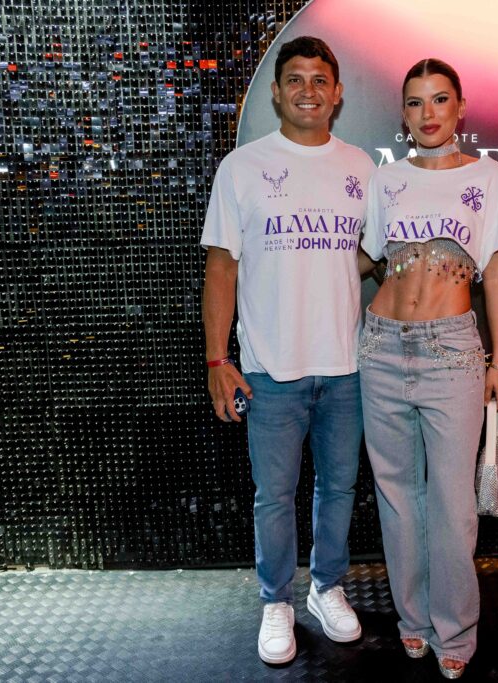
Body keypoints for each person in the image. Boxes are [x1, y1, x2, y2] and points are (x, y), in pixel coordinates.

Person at [200, 36, 375, 665]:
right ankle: (276, 600)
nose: (308, 90)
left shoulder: (362, 168)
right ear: (276, 92)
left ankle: (326, 589)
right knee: (274, 495)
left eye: (319, 79)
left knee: (340, 487)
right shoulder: (241, 167)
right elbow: (221, 268)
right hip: (269, 369)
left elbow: (367, 254)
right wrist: (218, 361)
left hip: (347, 366)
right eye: (295, 79)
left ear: (337, 93)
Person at [358, 58, 498, 679]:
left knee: (453, 504)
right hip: (380, 347)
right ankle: (413, 621)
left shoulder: (489, 179)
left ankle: (455, 627)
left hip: (453, 352)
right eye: (414, 102)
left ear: (460, 107)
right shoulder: (385, 180)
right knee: (397, 497)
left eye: (438, 100)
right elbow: (364, 260)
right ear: (403, 114)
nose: (427, 113)